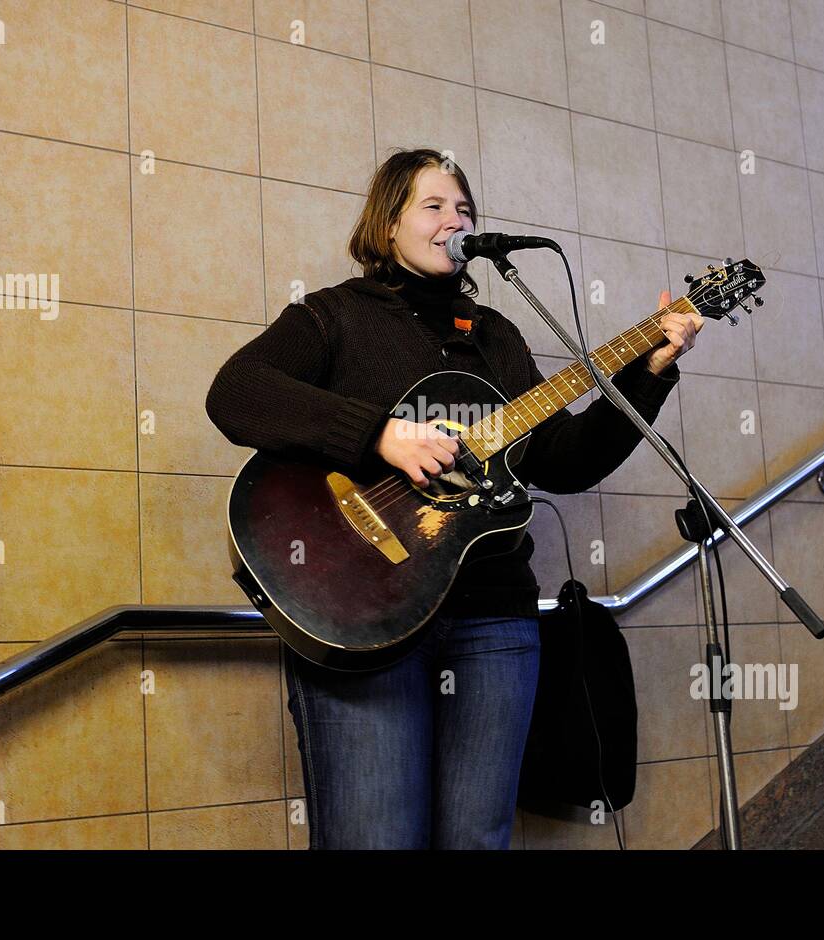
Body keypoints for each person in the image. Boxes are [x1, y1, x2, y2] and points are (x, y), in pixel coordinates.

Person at [205, 148, 704, 849]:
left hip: (493, 623)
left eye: (465, 209)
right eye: (434, 206)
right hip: (362, 617)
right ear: (387, 227)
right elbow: (235, 393)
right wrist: (380, 435)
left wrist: (649, 374)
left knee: (477, 838)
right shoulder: (335, 316)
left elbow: (564, 461)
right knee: (374, 838)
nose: (455, 220)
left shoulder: (495, 337)